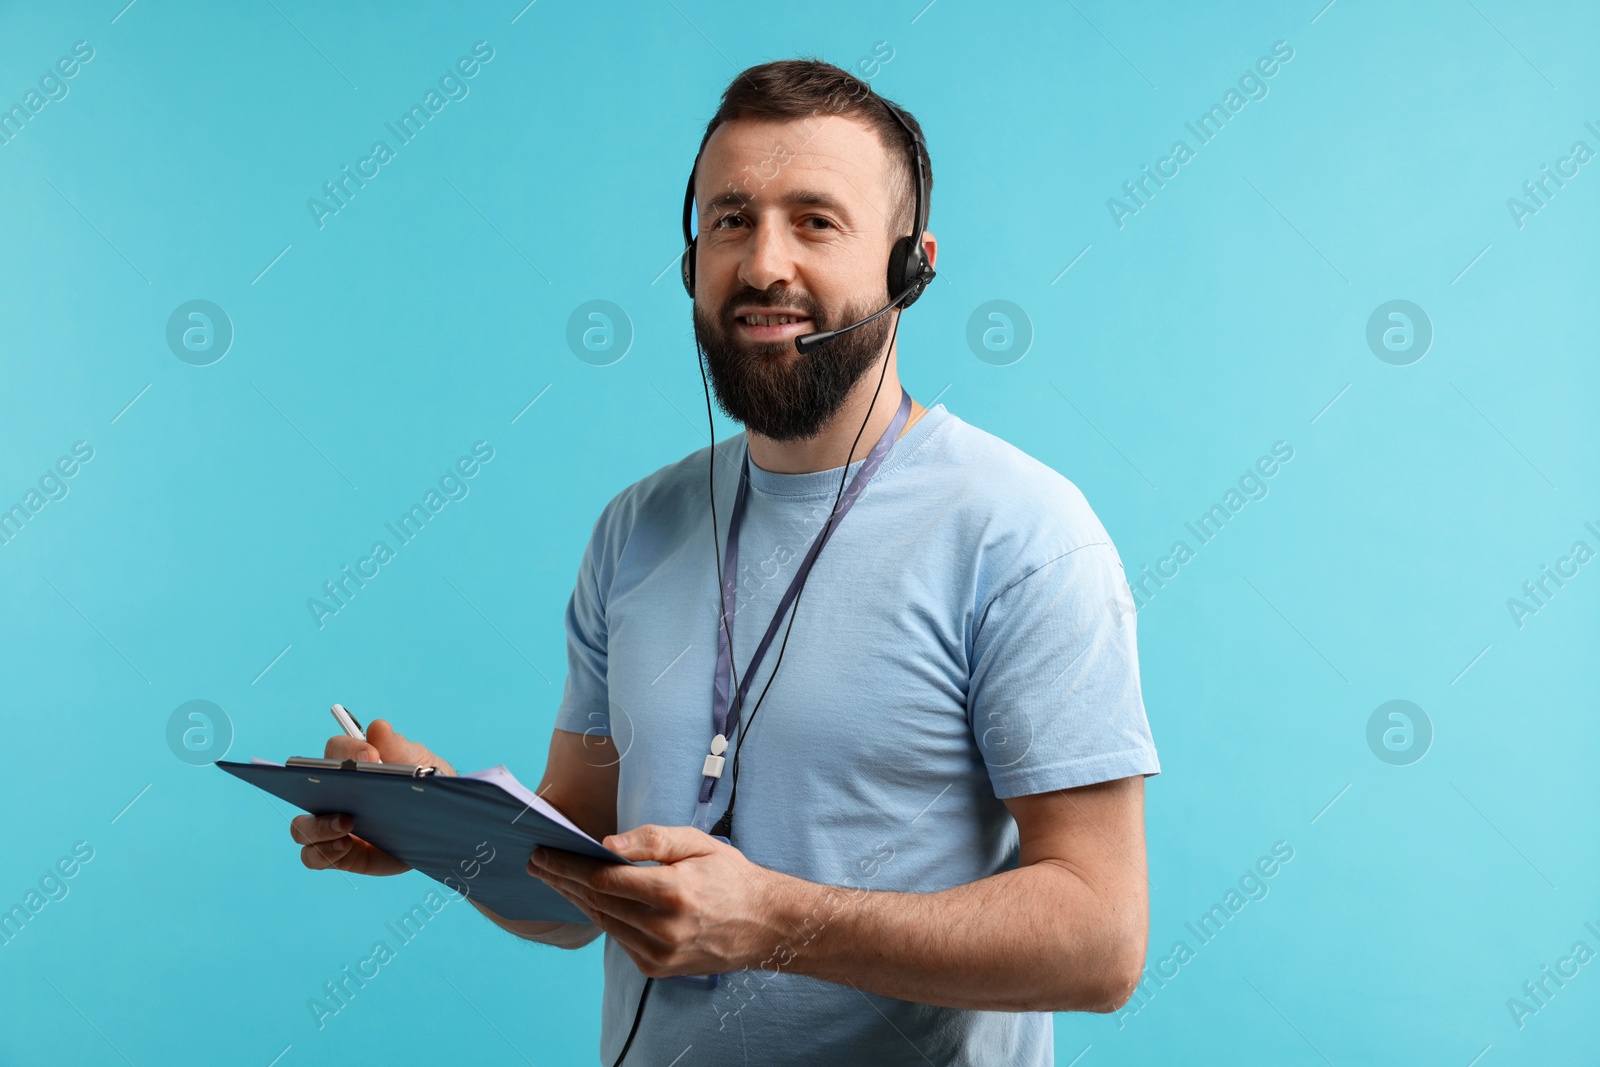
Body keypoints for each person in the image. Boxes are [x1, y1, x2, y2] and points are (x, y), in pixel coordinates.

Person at [290, 58, 1160, 1066]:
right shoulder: (636, 526)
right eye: (730, 220)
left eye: (815, 221)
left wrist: (772, 920)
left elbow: (1102, 939)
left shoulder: (1022, 533)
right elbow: (575, 883)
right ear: (690, 258)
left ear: (908, 267)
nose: (762, 265)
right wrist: (432, 820)